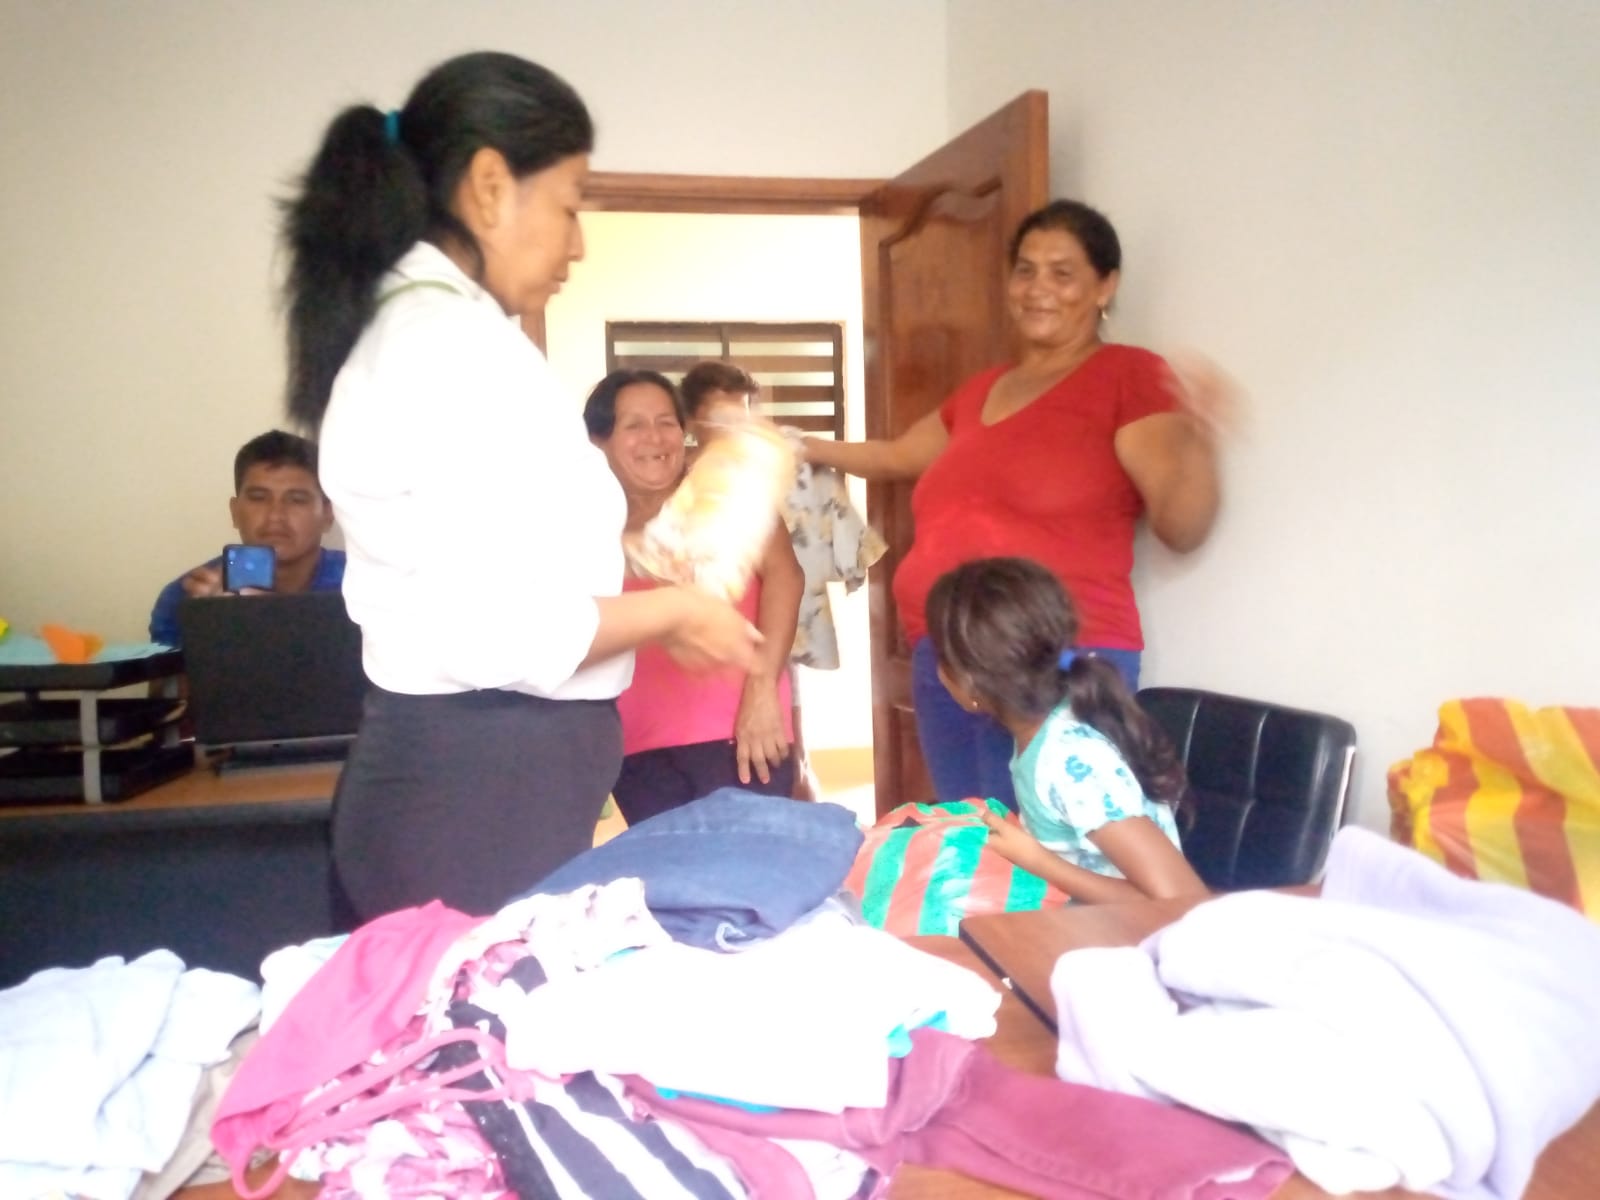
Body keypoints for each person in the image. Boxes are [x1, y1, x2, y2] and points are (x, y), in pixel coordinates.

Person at [279, 51, 760, 921]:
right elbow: (497, 629)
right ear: (492, 187)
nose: (577, 243)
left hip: (480, 785)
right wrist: (676, 612)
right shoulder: (449, 345)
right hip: (475, 796)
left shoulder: (440, 332)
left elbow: (495, 564)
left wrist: (641, 571)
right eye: (570, 205)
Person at [804, 199, 1224, 808]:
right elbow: (897, 455)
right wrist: (797, 445)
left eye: (1062, 272)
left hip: (1054, 662)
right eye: (1025, 270)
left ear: (1105, 285)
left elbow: (1182, 528)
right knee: (974, 838)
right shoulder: (983, 389)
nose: (1037, 288)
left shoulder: (1127, 376)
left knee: (1049, 846)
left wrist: (1198, 440)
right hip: (946, 657)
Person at [583, 368, 801, 824]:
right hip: (637, 746)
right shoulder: (590, 528)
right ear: (599, 441)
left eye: (666, 422)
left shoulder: (726, 497)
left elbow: (786, 579)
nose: (655, 437)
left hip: (741, 731)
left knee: (749, 861)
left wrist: (762, 689)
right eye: (634, 425)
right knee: (671, 867)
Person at [925, 556, 1206, 903]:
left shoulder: (1070, 759)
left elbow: (1182, 901)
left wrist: (1039, 862)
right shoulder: (1043, 731)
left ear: (970, 683)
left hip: (1129, 932)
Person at [148, 430, 345, 646]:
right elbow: (171, 671)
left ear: (328, 515)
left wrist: (259, 617)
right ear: (234, 512)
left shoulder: (363, 585)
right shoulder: (186, 597)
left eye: (297, 500)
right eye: (258, 498)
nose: (275, 516)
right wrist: (209, 624)